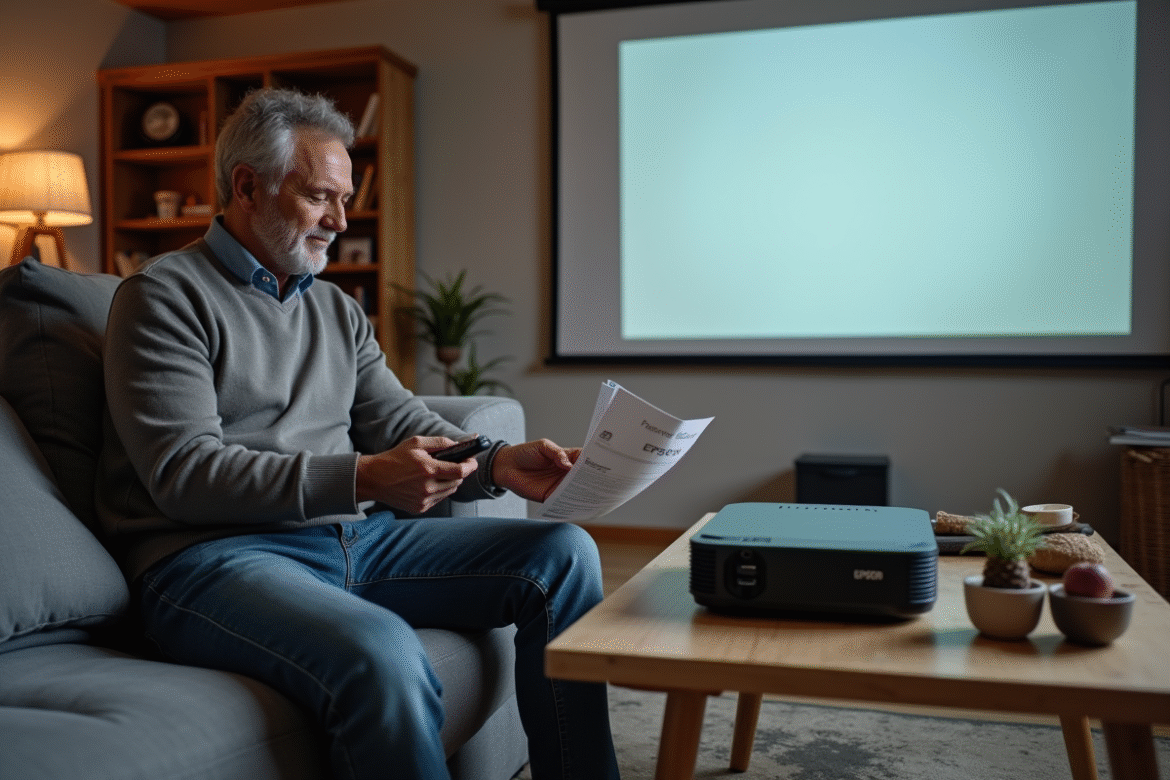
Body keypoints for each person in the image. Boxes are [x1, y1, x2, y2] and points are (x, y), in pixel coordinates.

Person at [95, 87, 621, 780]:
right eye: (321, 197)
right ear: (248, 187)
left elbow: (398, 419)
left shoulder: (336, 310)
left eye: (345, 199)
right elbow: (185, 473)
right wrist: (363, 477)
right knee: (382, 649)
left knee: (563, 553)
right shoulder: (163, 297)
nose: (342, 220)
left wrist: (499, 463)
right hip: (213, 560)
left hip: (351, 538)